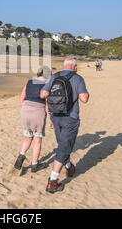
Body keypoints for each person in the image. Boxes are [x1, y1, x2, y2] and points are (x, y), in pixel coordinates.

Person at [40, 57, 89, 193]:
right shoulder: (78, 78)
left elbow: (43, 94)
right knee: (64, 147)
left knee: (63, 145)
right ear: (74, 67)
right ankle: (53, 182)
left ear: (64, 66)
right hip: (70, 118)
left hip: (55, 117)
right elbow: (84, 99)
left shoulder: (54, 76)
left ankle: (68, 167)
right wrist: (84, 93)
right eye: (76, 66)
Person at [14, 66, 51, 173]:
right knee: (37, 140)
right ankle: (35, 165)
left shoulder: (29, 82)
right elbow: (47, 103)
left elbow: (22, 97)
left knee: (27, 137)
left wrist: (24, 109)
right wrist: (51, 117)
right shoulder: (47, 85)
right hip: (38, 111)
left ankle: (21, 155)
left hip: (25, 110)